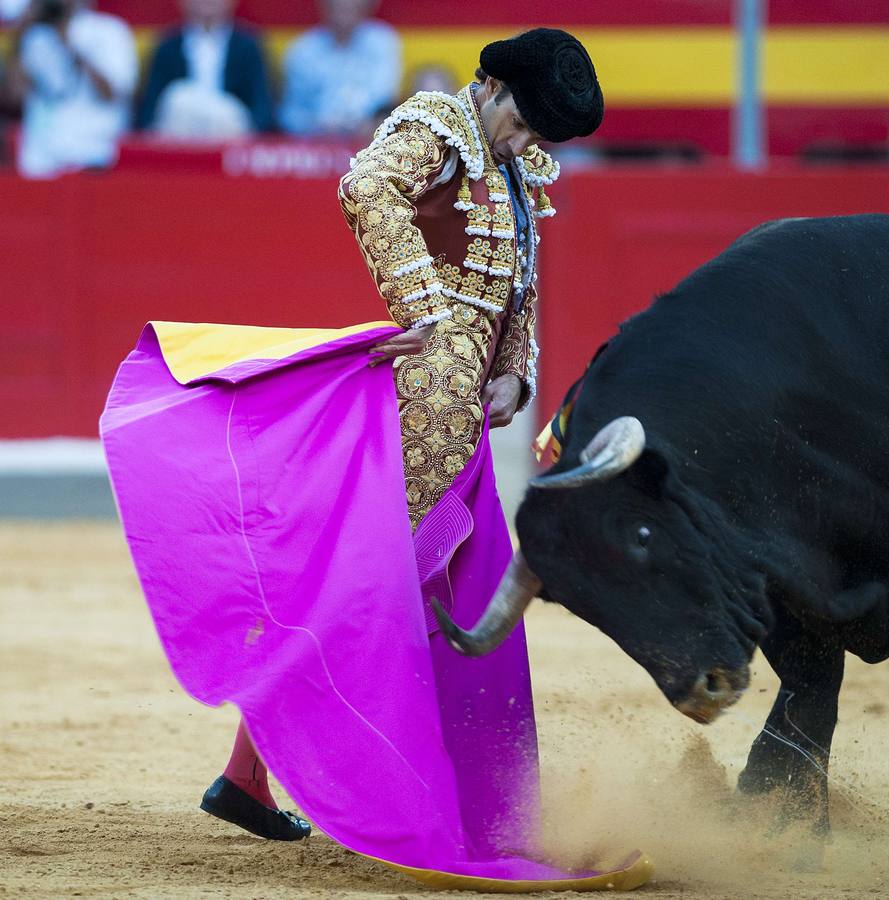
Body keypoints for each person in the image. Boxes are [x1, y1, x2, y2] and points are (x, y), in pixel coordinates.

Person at [197, 27, 604, 842]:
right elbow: (366, 187)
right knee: (375, 590)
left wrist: (517, 370)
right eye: (520, 122)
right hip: (419, 404)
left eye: (535, 136)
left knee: (389, 589)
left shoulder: (516, 171)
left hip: (463, 418)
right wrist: (427, 311)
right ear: (489, 86)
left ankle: (253, 773)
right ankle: (301, 777)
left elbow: (519, 284)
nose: (523, 142)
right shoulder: (438, 126)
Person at [4, 0, 136, 178]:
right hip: (40, 158)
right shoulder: (36, 35)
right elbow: (15, 96)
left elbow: (112, 95)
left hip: (95, 153)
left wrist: (70, 43)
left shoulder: (109, 31)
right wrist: (21, 32)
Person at [136, 0, 272, 138]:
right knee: (178, 97)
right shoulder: (167, 46)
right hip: (180, 136)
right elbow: (151, 107)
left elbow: (260, 106)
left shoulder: (248, 45)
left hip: (232, 134)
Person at [278, 0, 401, 139]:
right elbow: (290, 114)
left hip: (371, 143)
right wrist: (316, 125)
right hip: (316, 144)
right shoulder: (302, 50)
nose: (345, 4)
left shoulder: (383, 42)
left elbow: (385, 101)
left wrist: (368, 124)